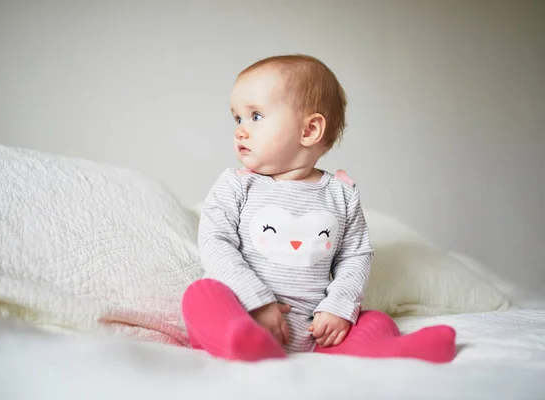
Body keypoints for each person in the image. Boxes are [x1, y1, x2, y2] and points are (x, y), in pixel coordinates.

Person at [181, 54, 456, 363]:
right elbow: (215, 242)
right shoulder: (236, 185)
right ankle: (240, 340)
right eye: (237, 118)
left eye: (255, 116)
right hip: (246, 312)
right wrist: (256, 301)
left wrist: (338, 307)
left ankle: (391, 350)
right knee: (201, 295)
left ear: (309, 130)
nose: (241, 130)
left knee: (377, 321)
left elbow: (355, 257)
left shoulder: (341, 194)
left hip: (316, 330)